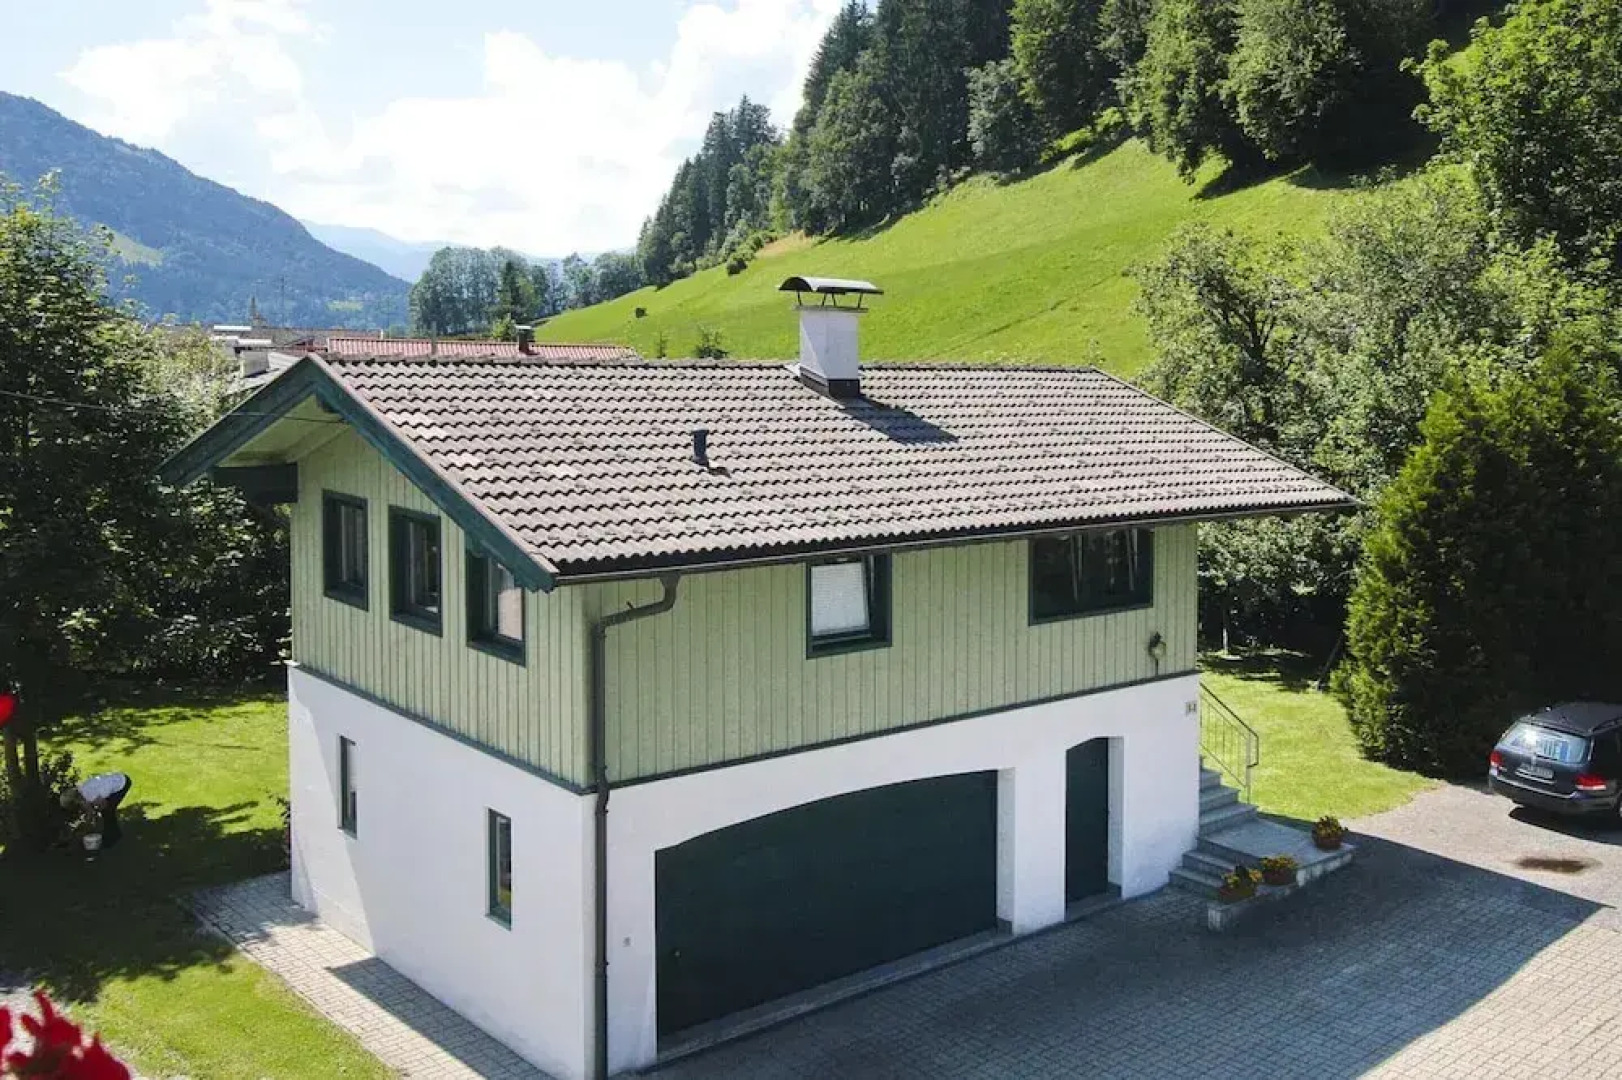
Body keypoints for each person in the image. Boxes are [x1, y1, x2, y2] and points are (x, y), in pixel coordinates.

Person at [60, 772, 133, 850]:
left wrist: (88, 823)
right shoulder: (82, 792)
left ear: (75, 801)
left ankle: (112, 839)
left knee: (108, 812)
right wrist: (91, 815)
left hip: (122, 783)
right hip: (116, 779)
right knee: (106, 812)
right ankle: (115, 834)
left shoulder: (89, 794)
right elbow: (89, 809)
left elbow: (103, 805)